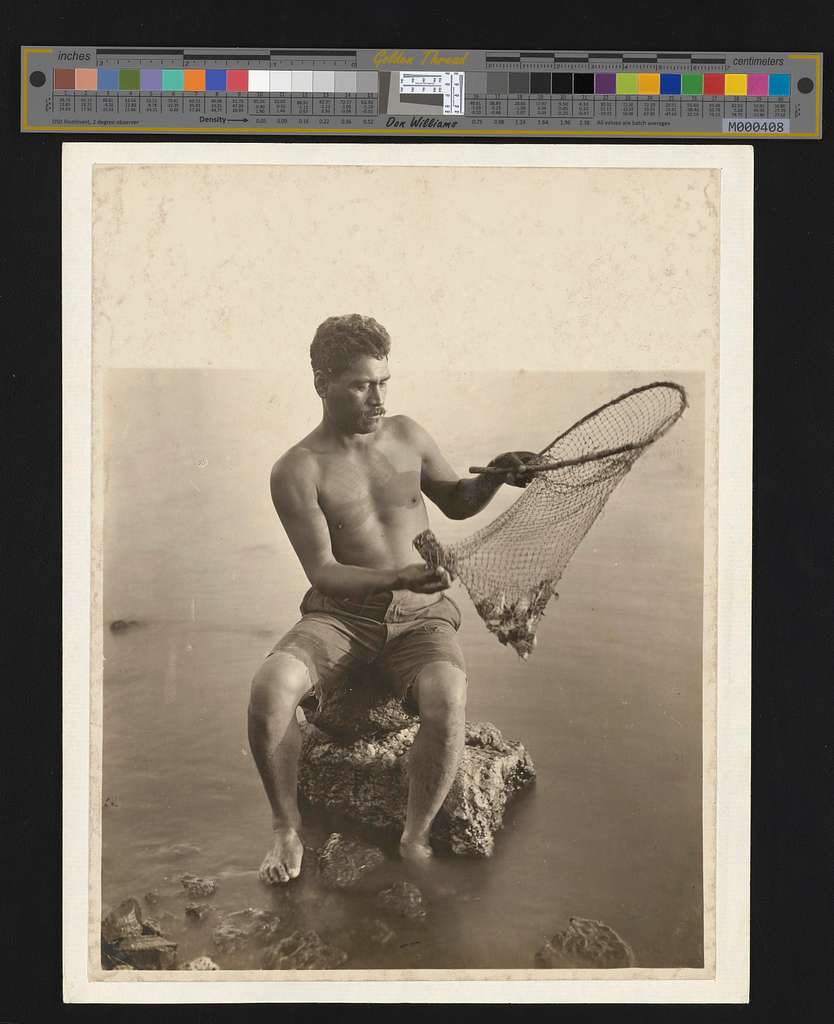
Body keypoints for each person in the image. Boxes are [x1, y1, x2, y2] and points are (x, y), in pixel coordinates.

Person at [248, 314, 535, 884]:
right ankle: (285, 827)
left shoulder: (406, 436)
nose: (377, 398)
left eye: (384, 382)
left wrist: (496, 477)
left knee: (448, 695)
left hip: (420, 616)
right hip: (342, 617)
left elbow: (456, 500)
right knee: (269, 689)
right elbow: (324, 571)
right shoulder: (297, 469)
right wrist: (396, 577)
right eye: (360, 384)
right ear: (320, 382)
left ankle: (416, 834)